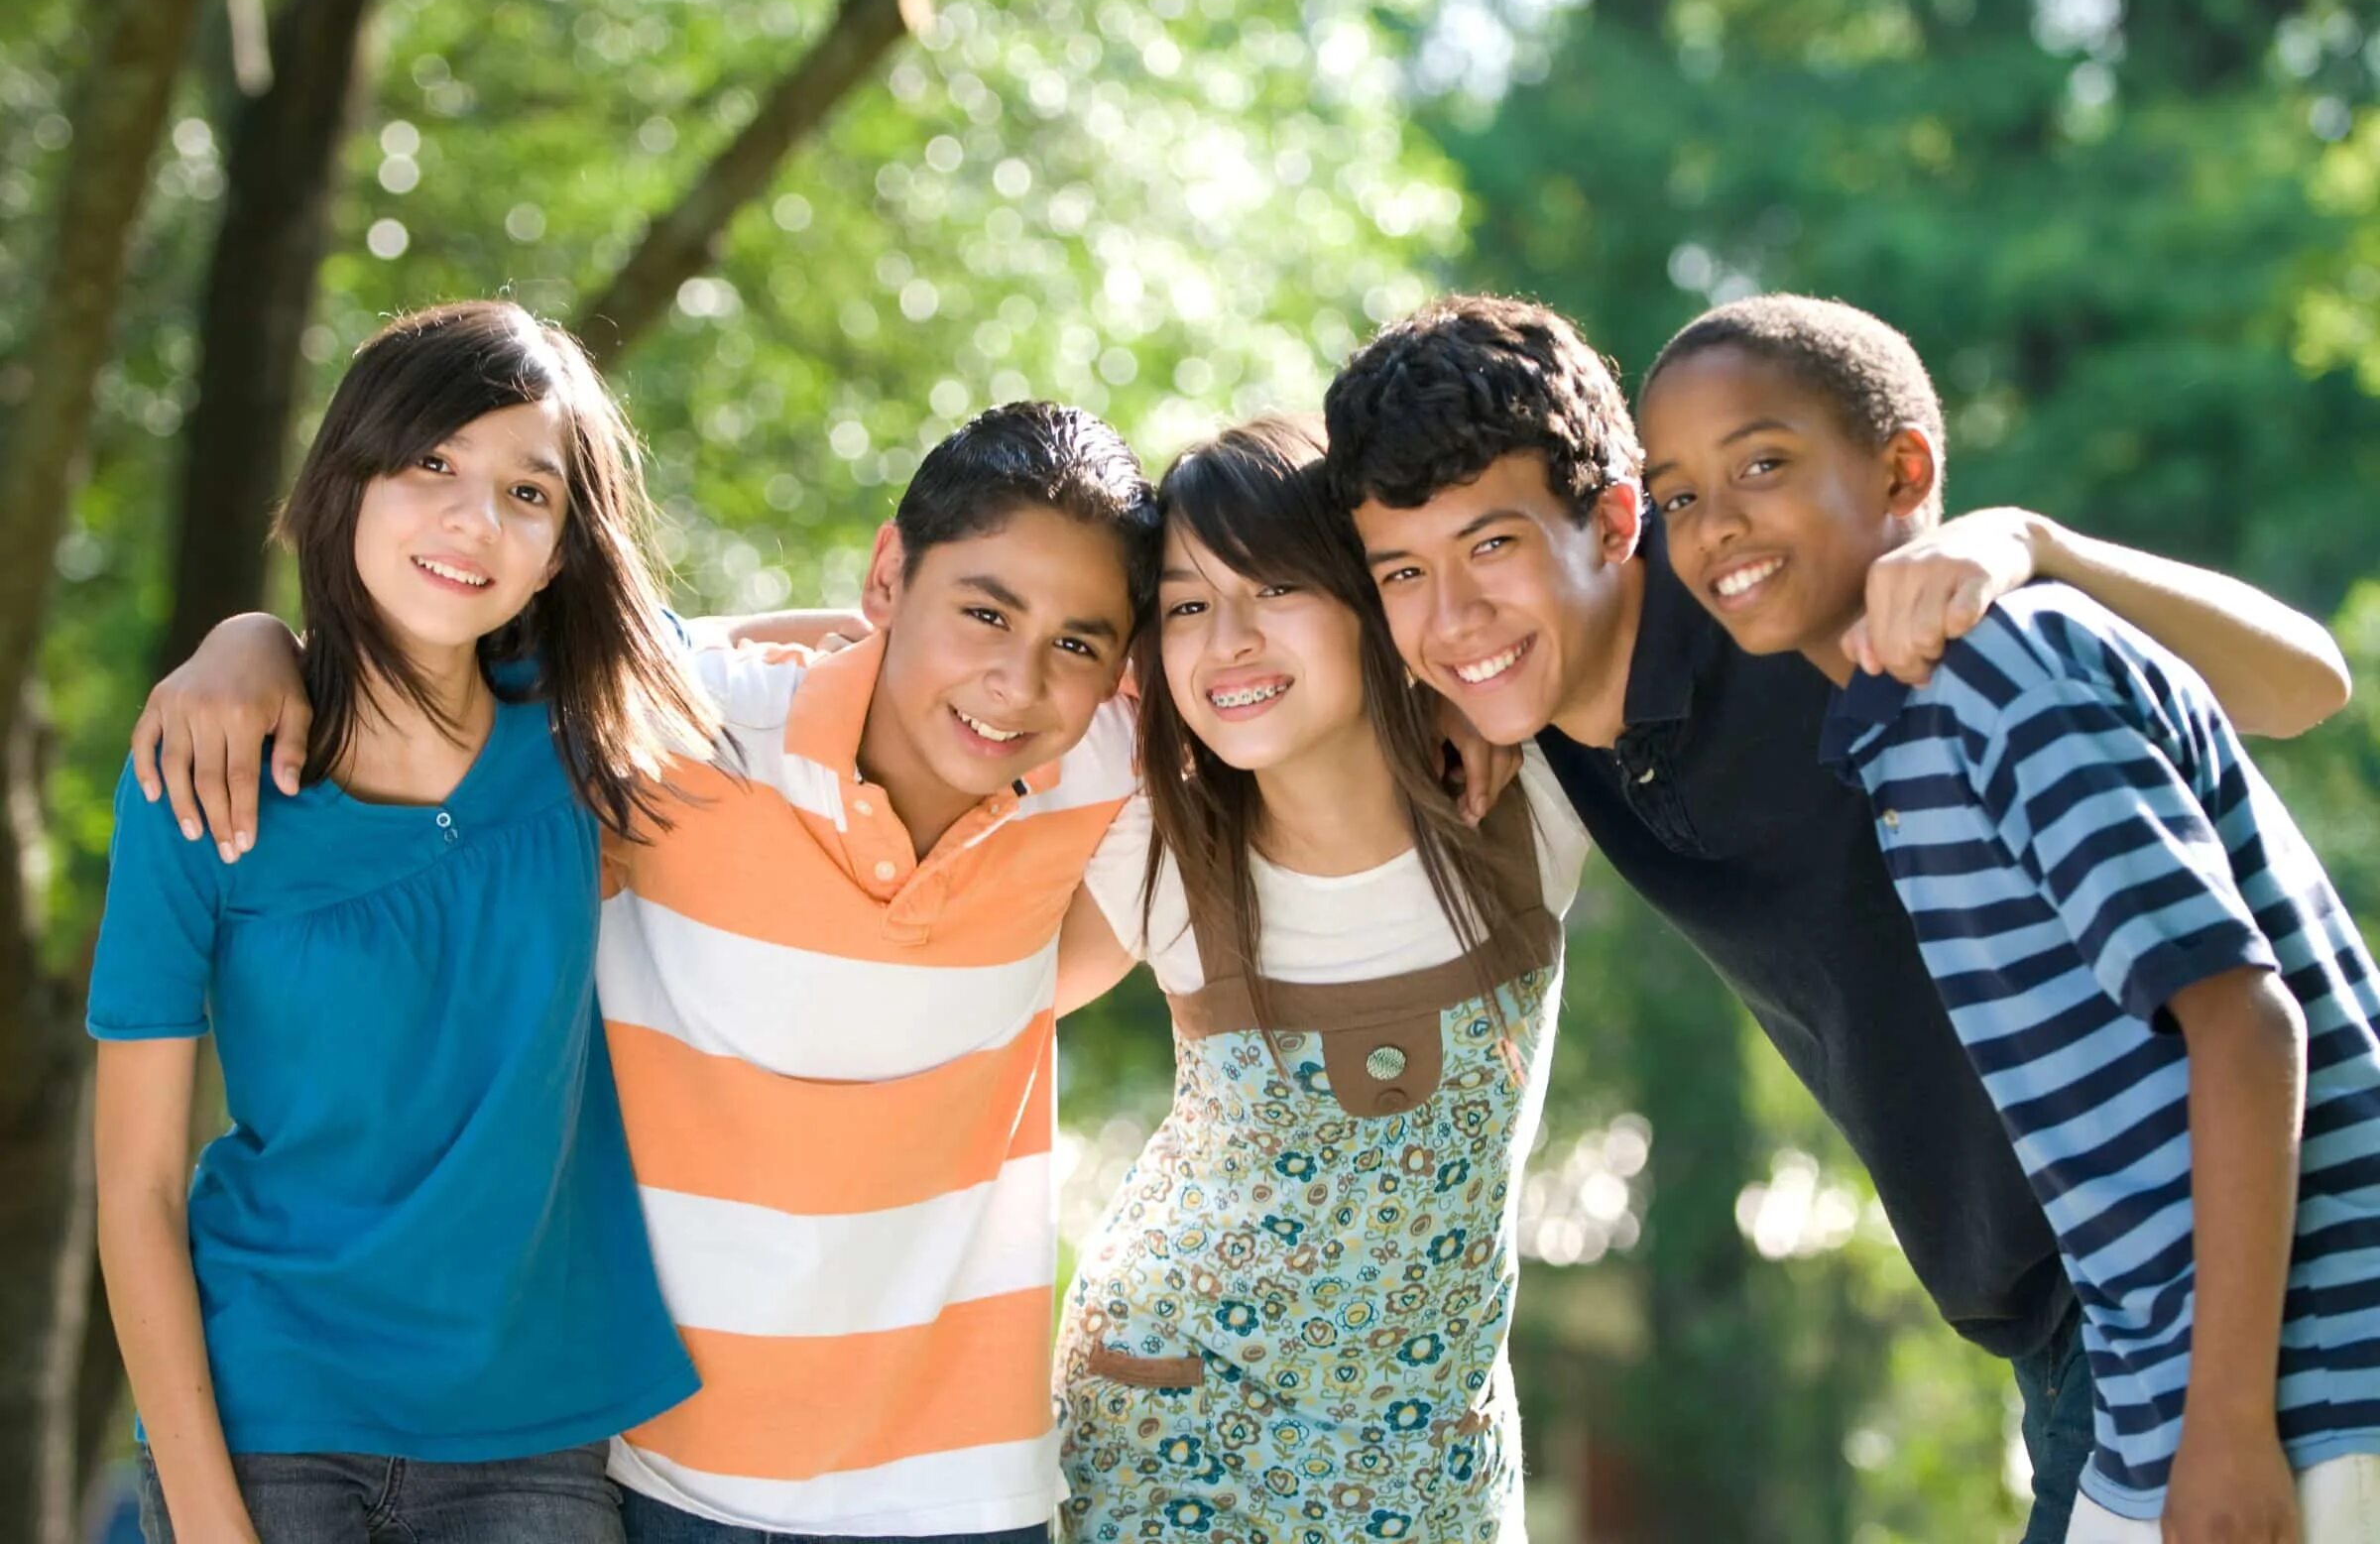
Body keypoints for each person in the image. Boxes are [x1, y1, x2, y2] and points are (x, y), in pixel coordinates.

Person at [1321, 293, 2354, 1540]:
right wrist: (1439, 691)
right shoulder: (1524, 703)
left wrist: (2036, 540)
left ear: (1613, 521)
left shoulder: (1824, 612)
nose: (1454, 614)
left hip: (2221, 1279)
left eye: (1492, 548)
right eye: (1406, 577)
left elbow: (2305, 687)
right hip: (2067, 1317)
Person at [134, 401, 1160, 1544]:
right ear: (888, 574)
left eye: (1078, 643)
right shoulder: (674, 729)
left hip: (963, 1490)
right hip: (666, 1477)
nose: (1016, 683)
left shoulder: (1105, 769)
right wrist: (250, 640)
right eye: (982, 611)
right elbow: (440, 654)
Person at [1639, 290, 2380, 1543]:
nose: (1716, 526)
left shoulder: (1999, 668)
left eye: (1761, 463)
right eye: (1677, 497)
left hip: (2305, 1385)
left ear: (1902, 469)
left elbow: (2247, 1022)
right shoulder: (1894, 725)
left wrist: (2231, 1427)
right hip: (2157, 1399)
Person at [90, 301, 712, 1543]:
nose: (473, 519)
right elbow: (139, 1190)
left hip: (533, 1431)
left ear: (558, 551)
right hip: (269, 1420)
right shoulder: (197, 773)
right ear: (350, 476)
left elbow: (834, 671)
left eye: (527, 493)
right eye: (434, 463)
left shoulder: (591, 741)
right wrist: (211, 1519)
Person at [1052, 417, 1586, 1541]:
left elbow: (1659, 593)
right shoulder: (1155, 847)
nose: (1229, 640)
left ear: (1367, 599)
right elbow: (955, 998)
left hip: (1431, 1454)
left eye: (1275, 587)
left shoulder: (1532, 805)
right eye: (1188, 605)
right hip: (1174, 1423)